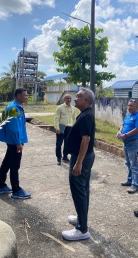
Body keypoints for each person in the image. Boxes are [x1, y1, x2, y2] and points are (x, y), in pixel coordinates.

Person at [62, 88, 95, 241]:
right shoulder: (84, 114)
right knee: (83, 189)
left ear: (87, 100)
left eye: (78, 97)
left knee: (78, 191)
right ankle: (82, 219)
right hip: (83, 156)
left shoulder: (86, 116)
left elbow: (86, 139)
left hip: (82, 158)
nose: (75, 99)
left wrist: (78, 162)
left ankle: (82, 229)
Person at [0, 88, 31, 199]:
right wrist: (18, 143)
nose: (26, 97)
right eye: (25, 95)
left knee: (7, 163)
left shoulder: (15, 106)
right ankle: (16, 190)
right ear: (18, 95)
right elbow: (13, 128)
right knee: (14, 165)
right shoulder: (14, 108)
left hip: (13, 141)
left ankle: (1, 184)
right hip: (15, 141)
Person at [116, 99, 138, 194]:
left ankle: (135, 185)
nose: (129, 107)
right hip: (125, 143)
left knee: (134, 165)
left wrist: (126, 135)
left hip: (133, 143)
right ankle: (130, 180)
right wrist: (120, 132)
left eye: (131, 106)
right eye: (128, 105)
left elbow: (137, 129)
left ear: (136, 107)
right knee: (127, 163)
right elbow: (122, 125)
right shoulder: (128, 115)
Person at [54, 94, 79, 165]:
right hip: (61, 126)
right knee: (59, 144)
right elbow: (56, 118)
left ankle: (65, 156)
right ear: (64, 99)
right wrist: (57, 128)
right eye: (67, 98)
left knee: (67, 143)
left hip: (70, 127)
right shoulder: (60, 107)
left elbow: (74, 118)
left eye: (70, 98)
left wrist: (74, 127)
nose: (69, 100)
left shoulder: (73, 108)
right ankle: (59, 158)